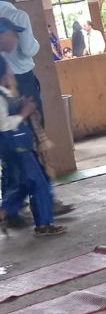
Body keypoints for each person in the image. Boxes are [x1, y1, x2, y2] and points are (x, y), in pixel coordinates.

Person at [0, 55, 66, 236]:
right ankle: (44, 224)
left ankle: (4, 211)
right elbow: (3, 124)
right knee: (40, 183)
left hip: (17, 148)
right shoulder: (1, 97)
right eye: (8, 70)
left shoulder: (7, 95)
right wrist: (23, 113)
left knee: (23, 186)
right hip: (18, 149)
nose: (11, 74)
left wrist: (22, 108)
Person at [0, 0, 44, 123]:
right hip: (22, 80)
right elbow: (28, 49)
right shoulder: (18, 16)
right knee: (34, 125)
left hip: (2, 81)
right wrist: (36, 43)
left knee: (10, 122)